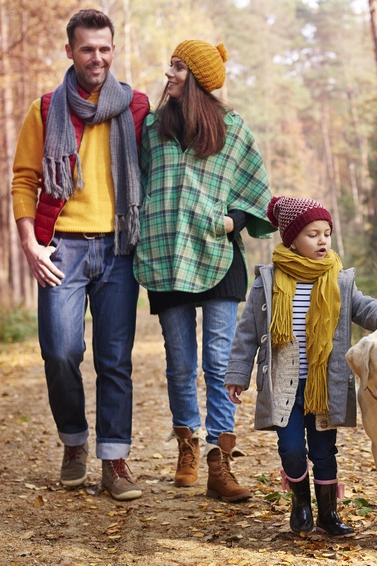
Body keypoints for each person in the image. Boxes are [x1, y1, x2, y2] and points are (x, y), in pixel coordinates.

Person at [10, 9, 150, 501]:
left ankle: (114, 461)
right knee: (60, 351)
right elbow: (25, 179)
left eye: (105, 48)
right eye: (88, 48)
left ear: (114, 50)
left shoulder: (135, 107)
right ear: (69, 51)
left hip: (118, 246)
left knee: (115, 359)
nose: (97, 57)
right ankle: (74, 443)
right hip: (61, 247)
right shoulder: (47, 108)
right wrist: (30, 242)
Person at [132, 39, 275, 500]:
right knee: (180, 364)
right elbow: (138, 182)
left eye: (177, 67)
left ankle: (219, 458)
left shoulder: (231, 128)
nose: (168, 73)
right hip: (166, 255)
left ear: (196, 77)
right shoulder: (153, 126)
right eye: (170, 65)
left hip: (218, 255)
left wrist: (231, 220)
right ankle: (187, 443)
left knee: (217, 361)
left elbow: (257, 189)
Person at [224, 196, 377, 536]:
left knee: (324, 451)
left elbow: (364, 308)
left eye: (326, 233)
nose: (322, 240)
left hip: (325, 383)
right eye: (312, 234)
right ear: (291, 239)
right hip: (284, 383)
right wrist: (237, 373)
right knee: (291, 448)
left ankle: (327, 513)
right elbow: (247, 331)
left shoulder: (338, 280)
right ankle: (301, 503)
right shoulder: (268, 280)